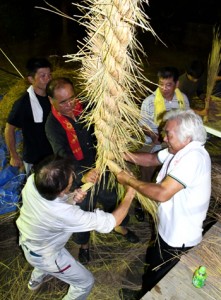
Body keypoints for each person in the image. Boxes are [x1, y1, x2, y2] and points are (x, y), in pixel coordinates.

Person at [114, 109, 211, 300]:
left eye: (169, 134)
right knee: (153, 263)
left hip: (179, 237)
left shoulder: (194, 158)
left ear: (187, 138)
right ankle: (143, 292)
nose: (163, 138)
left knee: (160, 276)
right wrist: (121, 154)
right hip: (168, 228)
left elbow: (162, 193)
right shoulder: (180, 149)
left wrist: (130, 181)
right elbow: (151, 159)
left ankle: (146, 295)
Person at [45, 77, 139, 264]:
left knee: (110, 197)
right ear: (51, 101)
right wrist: (82, 174)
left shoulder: (86, 106)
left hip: (101, 166)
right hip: (78, 177)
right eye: (63, 102)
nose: (70, 104)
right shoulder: (52, 125)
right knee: (82, 211)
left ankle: (118, 226)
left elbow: (103, 129)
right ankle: (84, 245)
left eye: (72, 98)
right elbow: (63, 156)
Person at [16, 156, 136, 300]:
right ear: (61, 191)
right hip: (48, 254)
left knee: (41, 263)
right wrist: (130, 193)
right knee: (85, 283)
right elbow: (112, 221)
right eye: (71, 178)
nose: (74, 175)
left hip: (30, 240)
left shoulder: (34, 181)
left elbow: (54, 204)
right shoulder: (66, 215)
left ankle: (34, 282)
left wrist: (72, 197)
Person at [135, 67, 190, 222]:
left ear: (176, 84)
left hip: (174, 141)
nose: (164, 88)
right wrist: (153, 135)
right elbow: (142, 125)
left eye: (168, 85)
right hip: (154, 142)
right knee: (146, 168)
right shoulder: (150, 102)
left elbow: (185, 121)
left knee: (178, 167)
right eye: (161, 84)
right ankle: (141, 202)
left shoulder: (183, 99)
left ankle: (169, 196)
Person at [5, 57, 53, 175]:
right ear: (31, 79)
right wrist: (14, 155)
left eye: (49, 75)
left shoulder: (53, 96)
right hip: (35, 160)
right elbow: (9, 129)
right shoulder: (23, 103)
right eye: (43, 76)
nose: (48, 79)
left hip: (54, 154)